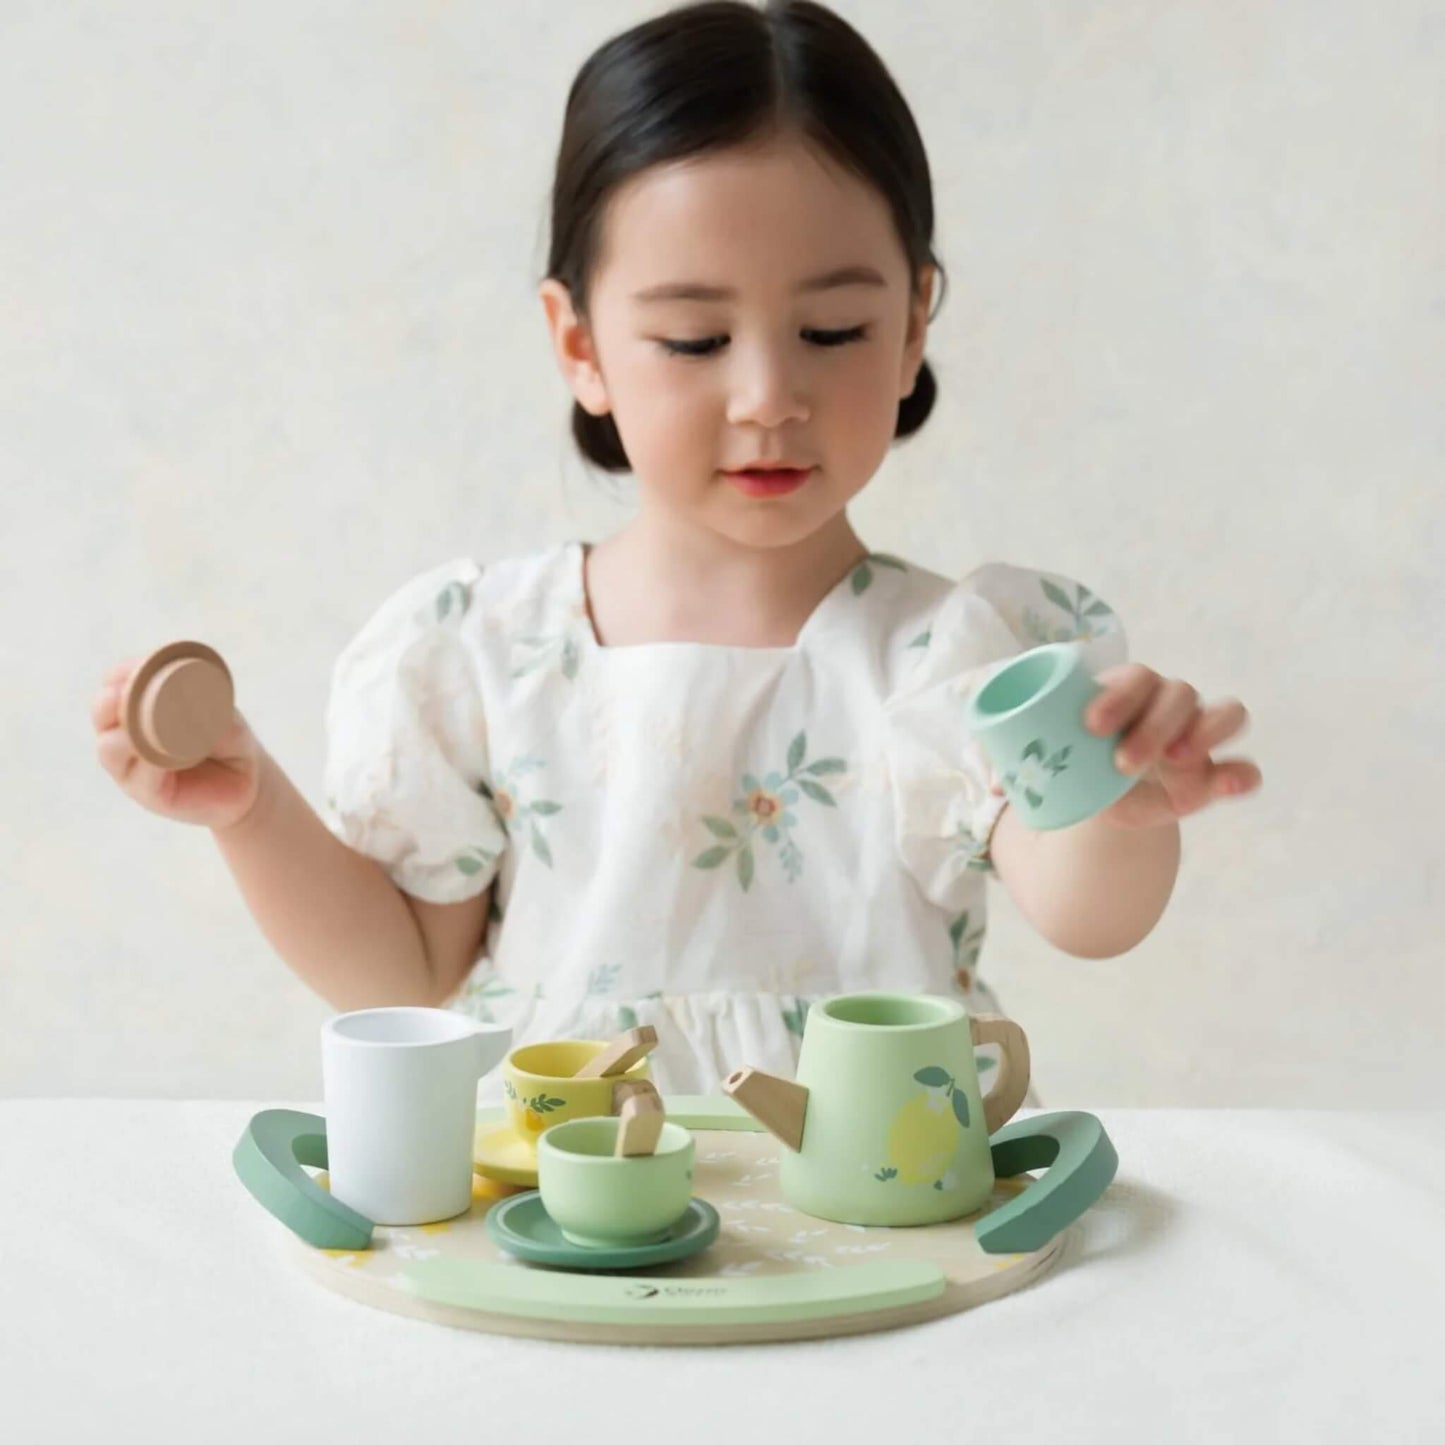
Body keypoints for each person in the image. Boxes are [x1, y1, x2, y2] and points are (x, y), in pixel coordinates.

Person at [92, 0, 1260, 1099]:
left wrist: (1114, 810)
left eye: (832, 330)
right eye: (694, 338)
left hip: (877, 1231)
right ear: (579, 342)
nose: (766, 395)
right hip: (570, 1221)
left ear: (911, 326)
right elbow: (403, 973)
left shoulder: (954, 655)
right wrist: (248, 807)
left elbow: (1087, 915)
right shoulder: (487, 653)